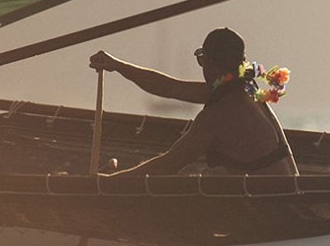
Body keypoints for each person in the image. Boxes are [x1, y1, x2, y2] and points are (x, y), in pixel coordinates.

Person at [88, 27, 298, 177]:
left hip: (275, 213)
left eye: (201, 60)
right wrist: (117, 65)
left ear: (209, 63)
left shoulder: (218, 115)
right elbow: (169, 87)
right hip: (289, 201)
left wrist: (108, 182)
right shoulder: (244, 89)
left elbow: (169, 164)